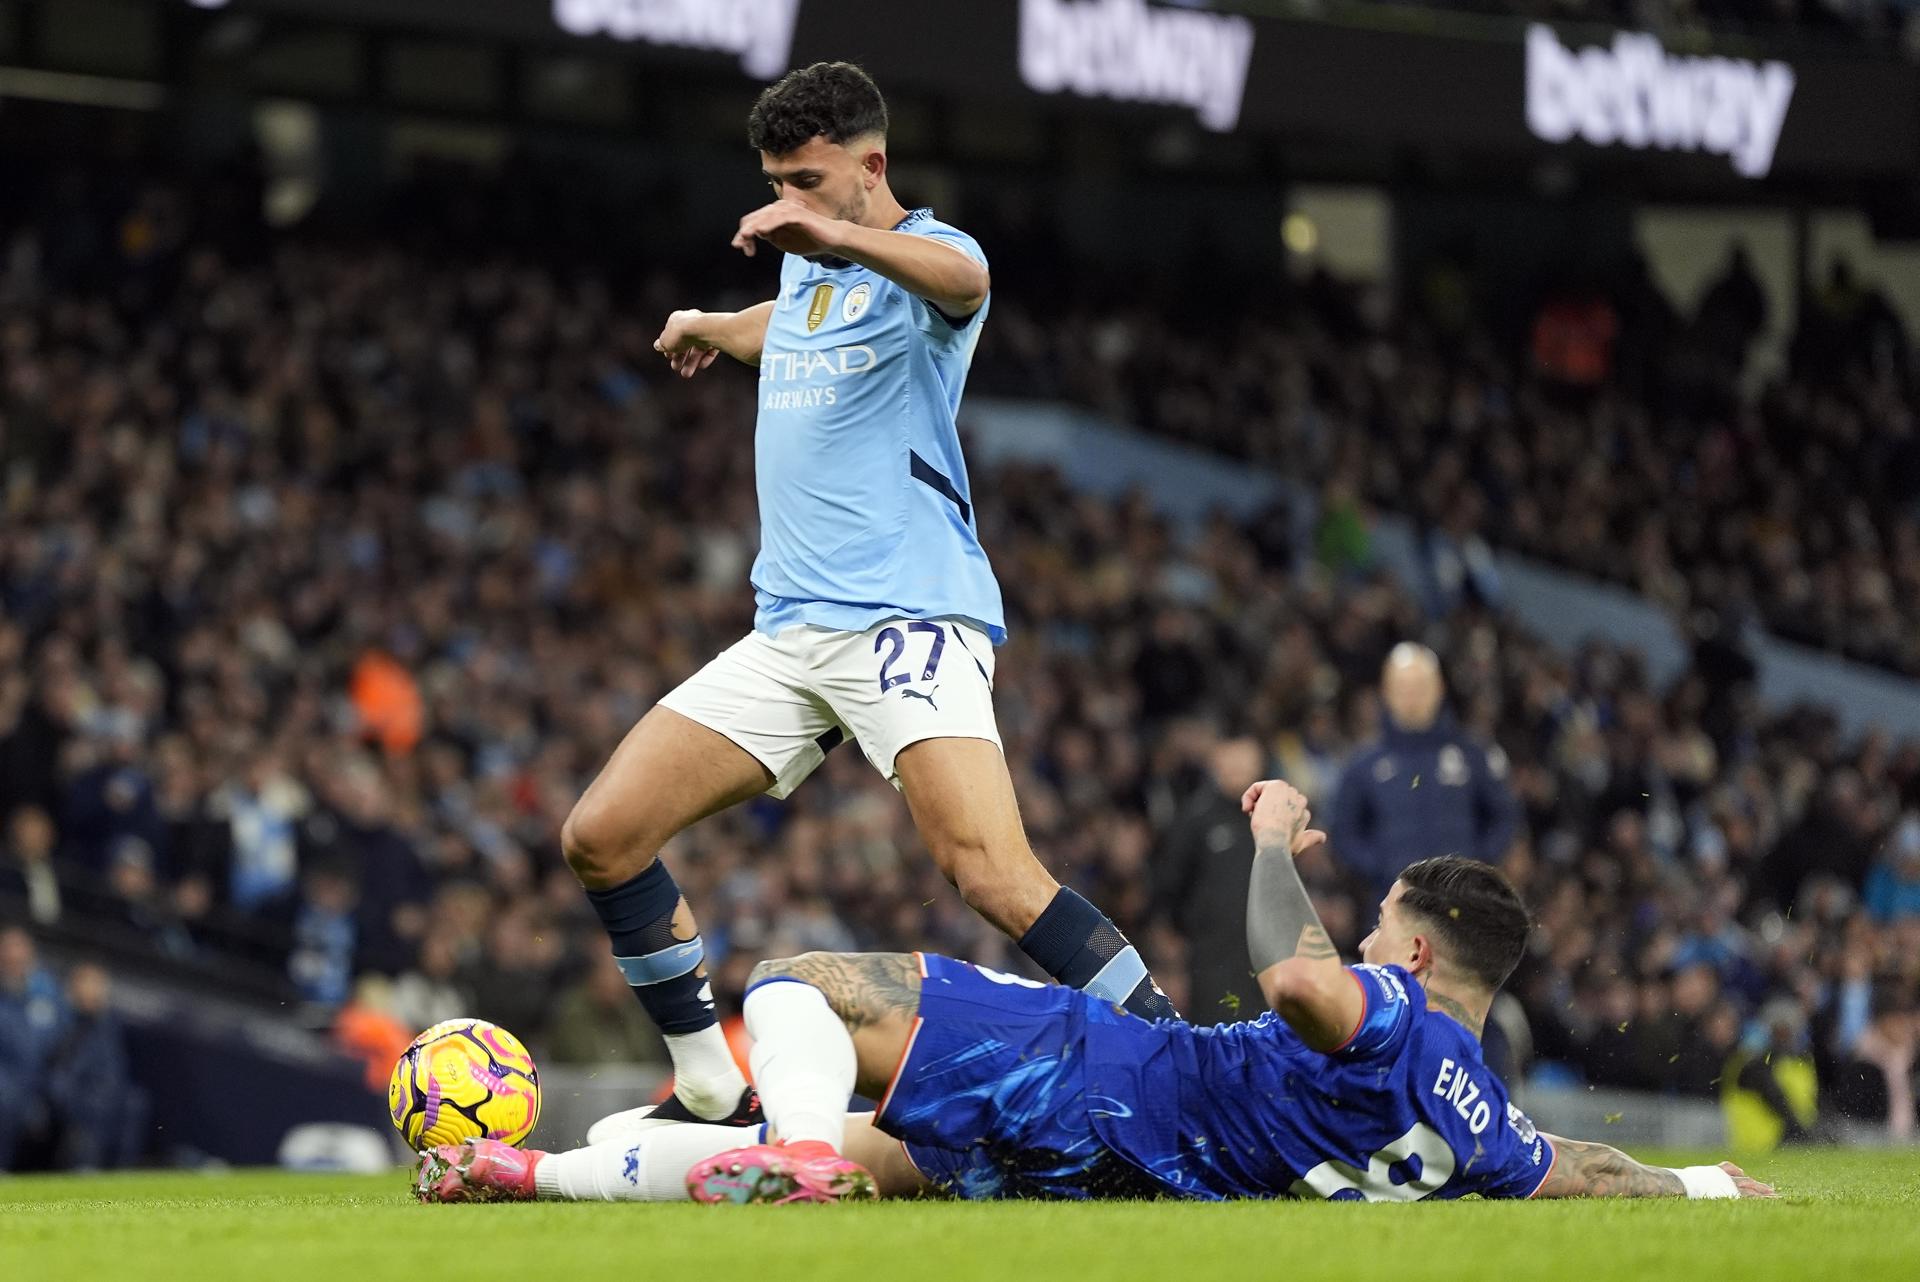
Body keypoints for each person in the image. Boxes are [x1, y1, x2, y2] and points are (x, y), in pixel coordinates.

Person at [562, 60, 1173, 1136]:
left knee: (991, 873)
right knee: (602, 833)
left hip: (908, 618)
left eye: (806, 179)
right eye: (775, 182)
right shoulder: (811, 268)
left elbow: (961, 284)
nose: (787, 201)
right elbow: (798, 325)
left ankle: (1189, 1069)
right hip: (790, 629)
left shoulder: (935, 256)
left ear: (870, 167)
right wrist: (716, 322)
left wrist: (830, 239)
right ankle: (709, 1085)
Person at [416, 782, 1773, 1206]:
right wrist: (1709, 1187)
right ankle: (523, 1176)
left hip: (1103, 1068)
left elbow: (1294, 976)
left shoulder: (1392, 1009)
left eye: (1380, 926)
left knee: (799, 981)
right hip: (1121, 1172)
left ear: (1417, 957)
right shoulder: (1485, 1121)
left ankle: (802, 1146)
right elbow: (1590, 1171)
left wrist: (1271, 835)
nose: (1363, 936)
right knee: (892, 1170)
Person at [1330, 643, 1517, 902]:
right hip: (1392, 905)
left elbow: (1504, 816)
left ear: (1439, 688)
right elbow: (1343, 831)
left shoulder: (1472, 755)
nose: (1412, 697)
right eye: (1403, 687)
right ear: (1385, 692)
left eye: (1420, 686)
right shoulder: (1363, 764)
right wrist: (1382, 869)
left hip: (1462, 903)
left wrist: (1475, 864)